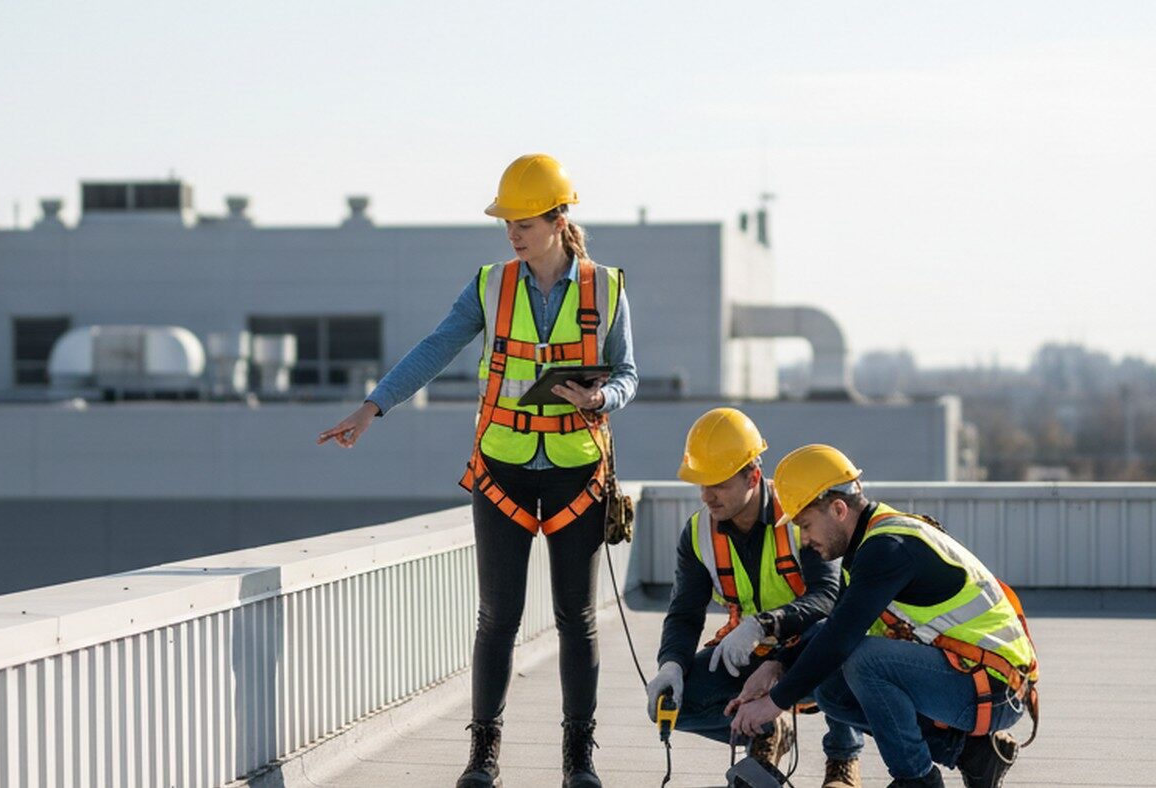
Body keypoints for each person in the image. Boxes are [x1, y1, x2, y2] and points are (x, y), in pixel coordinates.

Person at [318, 153, 637, 788]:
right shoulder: (492, 285)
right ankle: (483, 756)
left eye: (523, 222)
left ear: (557, 219)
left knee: (578, 618)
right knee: (498, 618)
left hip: (577, 471)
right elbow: (437, 345)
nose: (512, 233)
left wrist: (600, 398)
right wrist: (373, 406)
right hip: (503, 470)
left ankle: (580, 759)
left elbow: (627, 373)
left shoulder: (607, 288)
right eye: (507, 222)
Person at [726, 445, 1039, 788]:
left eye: (806, 524)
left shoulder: (887, 549)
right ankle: (971, 753)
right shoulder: (869, 544)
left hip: (995, 687)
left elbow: (840, 641)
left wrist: (774, 703)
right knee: (831, 691)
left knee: (864, 660)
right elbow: (834, 625)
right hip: (971, 676)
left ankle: (916, 780)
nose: (805, 539)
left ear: (838, 509)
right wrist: (776, 666)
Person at [643, 408, 860, 788]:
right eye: (701, 484)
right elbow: (684, 615)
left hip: (810, 642)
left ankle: (841, 761)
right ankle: (765, 731)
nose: (707, 496)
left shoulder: (799, 511)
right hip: (747, 651)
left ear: (753, 476)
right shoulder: (697, 533)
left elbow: (828, 597)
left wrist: (763, 626)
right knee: (676, 706)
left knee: (837, 640)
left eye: (719, 484)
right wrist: (671, 665)